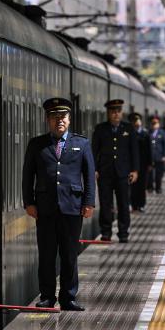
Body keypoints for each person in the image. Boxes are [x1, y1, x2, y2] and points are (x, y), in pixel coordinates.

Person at [22, 97, 95, 311]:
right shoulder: (37, 145)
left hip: (72, 207)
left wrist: (89, 202)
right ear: (47, 120)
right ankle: (47, 296)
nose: (59, 121)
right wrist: (29, 202)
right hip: (45, 208)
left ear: (69, 120)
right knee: (46, 253)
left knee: (70, 254)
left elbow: (89, 175)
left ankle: (68, 297)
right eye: (54, 117)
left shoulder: (81, 144)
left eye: (62, 117)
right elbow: (28, 175)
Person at [92, 99, 139, 243]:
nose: (116, 114)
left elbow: (134, 151)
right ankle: (106, 232)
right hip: (105, 173)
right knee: (105, 203)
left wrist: (135, 170)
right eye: (113, 112)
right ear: (108, 113)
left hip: (123, 173)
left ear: (122, 112)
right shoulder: (100, 129)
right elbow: (94, 151)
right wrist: (94, 169)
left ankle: (123, 232)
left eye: (118, 111)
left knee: (123, 203)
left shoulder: (128, 129)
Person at [130, 113, 152, 212]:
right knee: (133, 186)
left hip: (143, 164)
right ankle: (134, 205)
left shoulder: (146, 134)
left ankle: (141, 205)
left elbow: (149, 150)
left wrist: (150, 163)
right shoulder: (130, 134)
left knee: (142, 186)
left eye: (138, 120)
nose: (136, 123)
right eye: (135, 121)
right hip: (132, 165)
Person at [147, 117, 165, 194]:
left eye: (155, 123)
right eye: (152, 123)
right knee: (150, 174)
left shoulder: (162, 133)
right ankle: (150, 187)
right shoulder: (148, 132)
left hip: (159, 157)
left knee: (158, 174)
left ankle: (158, 188)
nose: (154, 125)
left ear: (159, 124)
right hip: (150, 157)